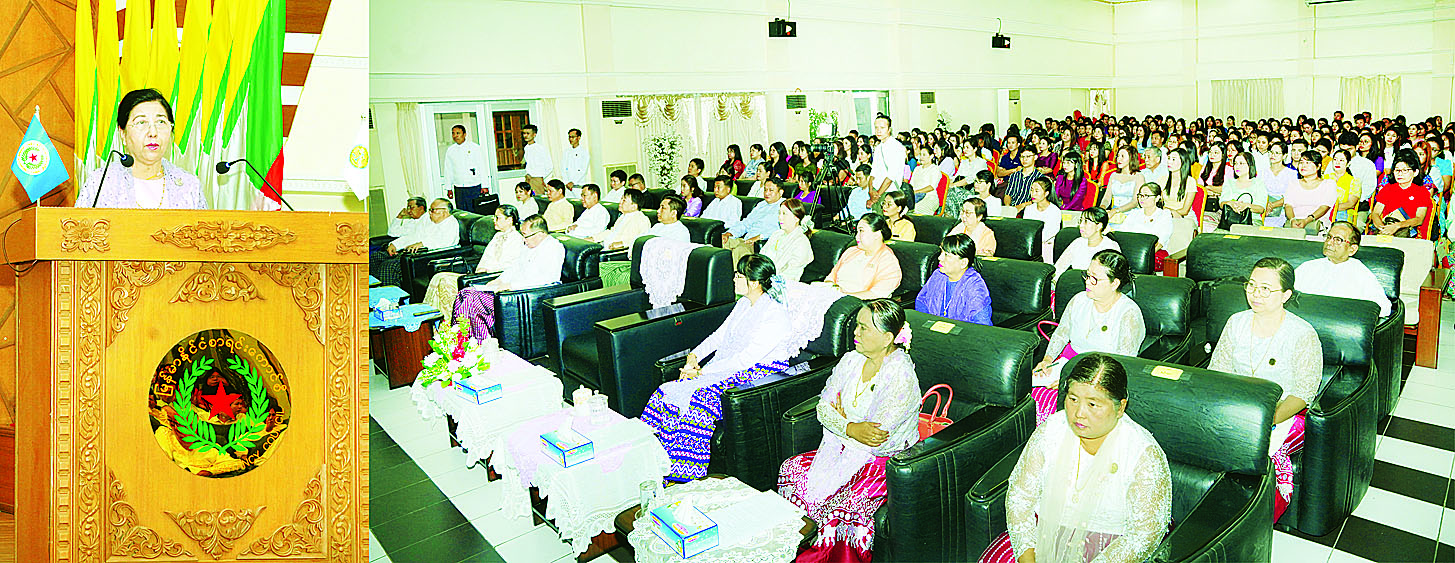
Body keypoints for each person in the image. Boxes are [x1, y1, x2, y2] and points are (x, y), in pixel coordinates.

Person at [977, 354, 1172, 563]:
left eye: (1093, 404)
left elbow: (1143, 536)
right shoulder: (1052, 430)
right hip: (1040, 533)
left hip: (1111, 551)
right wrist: (1027, 555)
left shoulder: (1142, 454)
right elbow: (1020, 497)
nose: (1079, 413)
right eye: (1073, 399)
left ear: (1120, 407)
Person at [778, 299, 922, 563]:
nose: (855, 332)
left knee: (843, 507)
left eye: (864, 328)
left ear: (887, 338)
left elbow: (876, 439)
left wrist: (841, 422)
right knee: (791, 469)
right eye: (857, 325)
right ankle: (785, 551)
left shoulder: (900, 375)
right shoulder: (851, 360)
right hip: (840, 447)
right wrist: (850, 427)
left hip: (880, 462)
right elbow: (823, 408)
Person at [642, 255, 797, 482]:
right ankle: (652, 462)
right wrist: (694, 356)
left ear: (754, 283)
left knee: (698, 399)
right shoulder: (743, 304)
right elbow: (719, 336)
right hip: (733, 366)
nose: (733, 279)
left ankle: (685, 474)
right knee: (665, 391)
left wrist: (701, 372)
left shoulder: (776, 316)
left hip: (760, 373)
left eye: (739, 276)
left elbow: (746, 359)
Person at [1208, 257, 1322, 521]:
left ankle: (1254, 520)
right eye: (1251, 285)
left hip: (1283, 413)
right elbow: (1217, 373)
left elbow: (1303, 393)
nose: (1255, 294)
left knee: (1261, 451)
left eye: (1265, 289)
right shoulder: (1236, 322)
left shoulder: (1301, 334)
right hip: (1238, 408)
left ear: (1286, 295)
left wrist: (1266, 420)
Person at [1032, 250, 1145, 425]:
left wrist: (1073, 381)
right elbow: (1061, 335)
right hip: (1067, 364)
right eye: (1087, 275)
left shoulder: (1128, 314)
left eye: (1095, 279)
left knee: (1057, 403)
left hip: (1100, 377)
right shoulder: (1078, 300)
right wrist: (1047, 360)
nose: (1087, 282)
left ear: (1114, 283)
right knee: (1030, 394)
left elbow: (1123, 363)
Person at [79, 88, 206, 209]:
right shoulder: (100, 184)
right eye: (141, 122)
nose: (153, 132)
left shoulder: (189, 186)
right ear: (122, 133)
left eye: (160, 122)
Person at [453, 214, 566, 340]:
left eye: (525, 236)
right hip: (511, 291)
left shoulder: (553, 248)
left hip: (525, 296)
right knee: (465, 293)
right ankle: (460, 339)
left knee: (473, 301)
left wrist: (510, 286)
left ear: (540, 234)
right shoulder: (528, 247)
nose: (524, 240)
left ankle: (476, 342)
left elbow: (546, 280)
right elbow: (514, 267)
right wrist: (499, 280)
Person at [422, 205, 525, 318]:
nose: (494, 220)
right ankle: (430, 318)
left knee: (445, 281)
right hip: (480, 274)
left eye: (498, 217)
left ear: (509, 220)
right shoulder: (498, 235)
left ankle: (451, 320)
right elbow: (486, 257)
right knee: (438, 276)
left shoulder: (517, 239)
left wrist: (486, 270)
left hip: (492, 278)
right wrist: (480, 268)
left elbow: (509, 266)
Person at [1293, 222, 1392, 317]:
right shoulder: (1308, 267)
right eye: (1328, 237)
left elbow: (1383, 307)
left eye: (1338, 240)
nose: (1329, 243)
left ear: (1352, 249)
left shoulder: (1360, 273)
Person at [369, 198, 460, 286]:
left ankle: (392, 295)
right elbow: (414, 235)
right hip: (411, 253)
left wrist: (422, 244)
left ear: (445, 212)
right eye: (430, 210)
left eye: (433, 210)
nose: (429, 213)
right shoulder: (427, 219)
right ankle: (375, 289)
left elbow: (445, 242)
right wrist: (395, 245)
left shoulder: (451, 223)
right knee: (376, 257)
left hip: (426, 257)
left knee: (388, 266)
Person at [915, 234, 992, 325]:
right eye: (941, 252)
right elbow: (921, 302)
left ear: (963, 263)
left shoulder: (975, 286)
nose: (940, 258)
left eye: (946, 255)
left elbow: (982, 325)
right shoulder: (938, 275)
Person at [824, 214, 903, 300]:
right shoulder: (851, 251)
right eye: (857, 231)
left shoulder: (888, 262)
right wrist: (828, 290)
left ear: (877, 234)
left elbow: (876, 294)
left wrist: (842, 297)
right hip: (833, 297)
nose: (856, 236)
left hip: (857, 303)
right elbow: (831, 277)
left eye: (861, 231)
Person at [595, 189, 654, 286]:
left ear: (634, 206)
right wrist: (593, 238)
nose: (620, 202)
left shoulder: (642, 219)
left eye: (624, 200)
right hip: (606, 246)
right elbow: (611, 231)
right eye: (621, 199)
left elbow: (641, 241)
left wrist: (623, 243)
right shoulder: (623, 216)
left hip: (617, 252)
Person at [1370, 149, 1433, 238]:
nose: (1400, 174)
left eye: (1405, 170)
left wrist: (1397, 226)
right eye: (1397, 170)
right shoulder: (1388, 189)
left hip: (1410, 232)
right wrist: (1383, 228)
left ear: (1415, 172)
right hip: (1387, 228)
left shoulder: (1422, 192)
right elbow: (1375, 213)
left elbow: (1419, 219)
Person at [723, 177, 786, 264]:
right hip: (746, 240)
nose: (767, 193)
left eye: (771, 190)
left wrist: (759, 237)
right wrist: (730, 233)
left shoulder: (785, 207)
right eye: (765, 190)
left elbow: (782, 230)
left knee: (740, 250)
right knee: (722, 241)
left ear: (781, 192)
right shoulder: (761, 205)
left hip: (760, 243)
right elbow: (746, 223)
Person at [1053, 207, 1122, 283]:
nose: (1081, 225)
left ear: (1099, 226)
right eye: (1081, 221)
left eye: (1086, 222)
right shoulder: (1078, 242)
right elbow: (1059, 268)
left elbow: (1110, 280)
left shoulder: (1110, 247)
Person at [1284, 150, 1337, 235]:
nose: (1303, 165)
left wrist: (1306, 221)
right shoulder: (1293, 184)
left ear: (1318, 166)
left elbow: (1324, 207)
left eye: (1308, 163)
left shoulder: (1328, 184)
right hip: (1294, 225)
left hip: (1318, 226)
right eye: (1301, 162)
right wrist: (1292, 220)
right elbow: (1288, 206)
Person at [761, 199, 814, 283]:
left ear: (796, 218)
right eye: (779, 213)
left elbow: (790, 273)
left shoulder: (801, 242)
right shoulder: (776, 234)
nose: (780, 217)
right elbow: (762, 257)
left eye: (784, 214)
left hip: (782, 283)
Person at [1116, 182, 1174, 253]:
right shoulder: (1134, 213)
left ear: (1157, 198)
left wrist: (1144, 255)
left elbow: (1161, 242)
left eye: (1146, 195)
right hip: (1131, 250)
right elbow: (1122, 233)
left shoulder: (1164, 215)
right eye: (1140, 195)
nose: (1141, 199)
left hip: (1154, 253)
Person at [442, 124, 489, 211]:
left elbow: (482, 167)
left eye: (458, 133)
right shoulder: (451, 150)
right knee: (462, 212)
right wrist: (448, 188)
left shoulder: (475, 148)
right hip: (459, 187)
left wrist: (485, 185)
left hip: (474, 186)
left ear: (464, 134)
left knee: (475, 212)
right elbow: (448, 170)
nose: (455, 136)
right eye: (453, 133)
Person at [1219, 150, 1268, 228]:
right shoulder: (1229, 182)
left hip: (1252, 221)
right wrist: (1230, 203)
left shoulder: (1258, 183)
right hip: (1230, 220)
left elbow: (1261, 209)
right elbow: (1222, 204)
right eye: (1235, 163)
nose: (1237, 166)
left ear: (1250, 165)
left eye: (1241, 163)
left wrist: (1246, 206)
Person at [1021, 177, 1063, 263]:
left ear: (1046, 193)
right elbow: (1026, 230)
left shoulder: (1054, 211)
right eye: (1032, 190)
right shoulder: (1029, 209)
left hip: (1047, 247)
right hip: (1030, 246)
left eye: (1037, 191)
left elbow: (1050, 234)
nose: (1033, 194)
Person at [870, 115, 908, 206]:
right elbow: (873, 172)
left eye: (882, 128)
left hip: (889, 193)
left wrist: (878, 195)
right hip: (876, 191)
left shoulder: (897, 147)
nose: (878, 131)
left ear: (889, 129)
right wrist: (871, 190)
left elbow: (891, 176)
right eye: (876, 128)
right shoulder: (878, 147)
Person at [1101, 145, 1143, 213]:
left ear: (1131, 158)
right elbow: (1107, 197)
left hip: (1131, 212)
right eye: (1118, 156)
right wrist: (1102, 207)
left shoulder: (1139, 177)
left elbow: (1135, 202)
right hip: (1114, 211)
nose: (1119, 159)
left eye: (1122, 156)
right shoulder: (1113, 175)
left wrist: (1116, 210)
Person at [1325, 149, 1363, 224]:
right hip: (1323, 212)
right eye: (1335, 159)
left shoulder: (1354, 181)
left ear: (1348, 163)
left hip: (1342, 212)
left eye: (1341, 160)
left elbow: (1351, 204)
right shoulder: (1324, 178)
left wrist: (1330, 209)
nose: (1337, 162)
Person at [908, 145, 949, 215]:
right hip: (914, 196)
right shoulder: (917, 169)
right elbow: (911, 184)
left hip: (930, 197)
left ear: (931, 156)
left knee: (916, 208)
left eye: (924, 155)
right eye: (920, 155)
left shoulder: (935, 169)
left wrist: (917, 191)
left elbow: (931, 187)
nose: (921, 157)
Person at [521, 124, 553, 194]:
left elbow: (549, 166)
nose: (525, 135)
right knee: (529, 198)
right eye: (524, 133)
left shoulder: (540, 149)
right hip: (528, 179)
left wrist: (541, 177)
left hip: (537, 179)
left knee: (538, 198)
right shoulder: (526, 148)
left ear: (534, 135)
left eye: (528, 133)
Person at [560, 128, 590, 192]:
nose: (570, 139)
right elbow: (563, 168)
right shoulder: (566, 152)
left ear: (578, 138)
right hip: (567, 185)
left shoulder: (584, 152)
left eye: (573, 137)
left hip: (578, 184)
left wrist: (573, 182)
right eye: (569, 137)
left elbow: (583, 170)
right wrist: (566, 182)